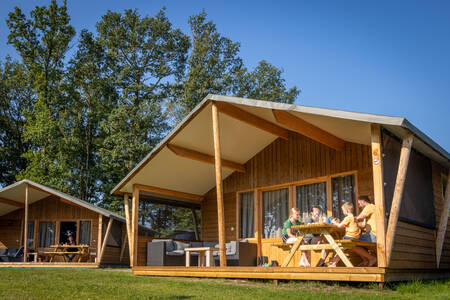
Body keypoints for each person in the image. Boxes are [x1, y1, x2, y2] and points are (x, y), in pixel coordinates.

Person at [327, 202, 376, 267]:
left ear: (346, 211)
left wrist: (334, 222)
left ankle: (333, 262)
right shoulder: (354, 218)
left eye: (343, 211)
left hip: (350, 237)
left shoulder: (347, 218)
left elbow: (339, 226)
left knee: (340, 246)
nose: (343, 212)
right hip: (355, 236)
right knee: (345, 246)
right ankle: (333, 262)